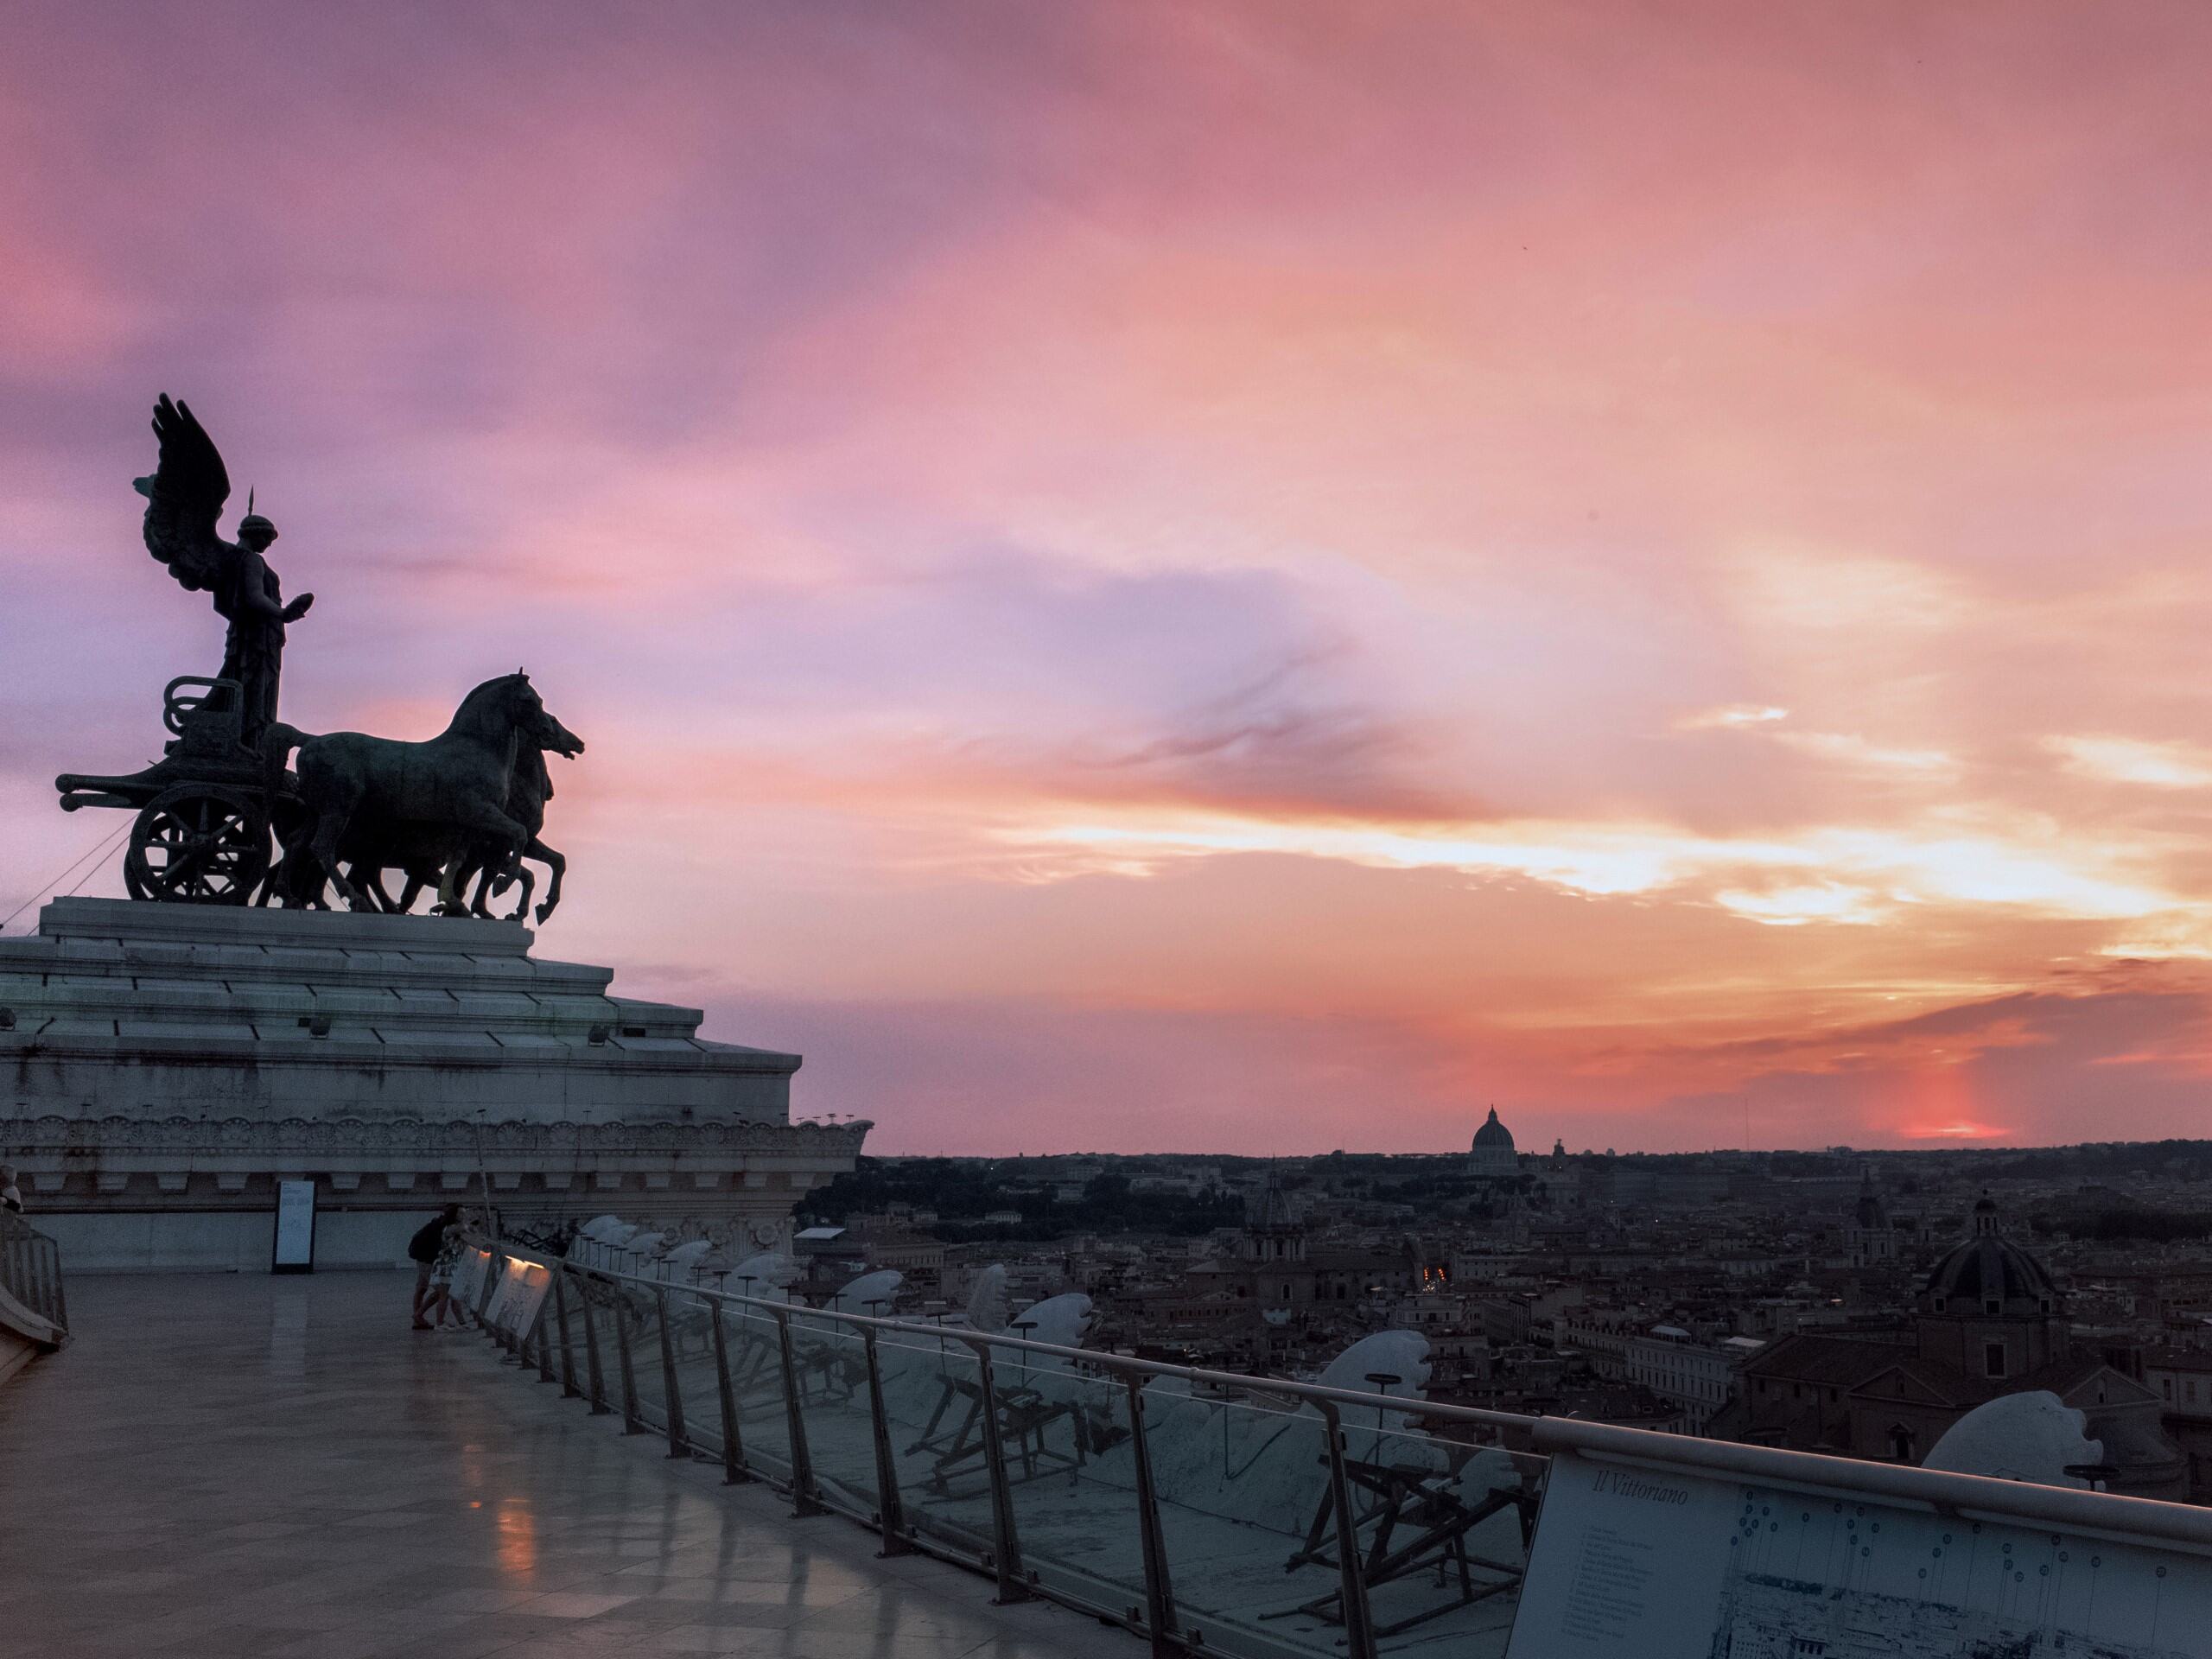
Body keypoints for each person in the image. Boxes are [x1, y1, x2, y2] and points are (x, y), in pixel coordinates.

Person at [407, 1205, 460, 1330]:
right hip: (428, 1260)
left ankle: (418, 1319)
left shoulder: (436, 1223)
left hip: (422, 1258)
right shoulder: (444, 1227)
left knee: (421, 1288)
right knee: (441, 1291)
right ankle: (419, 1316)